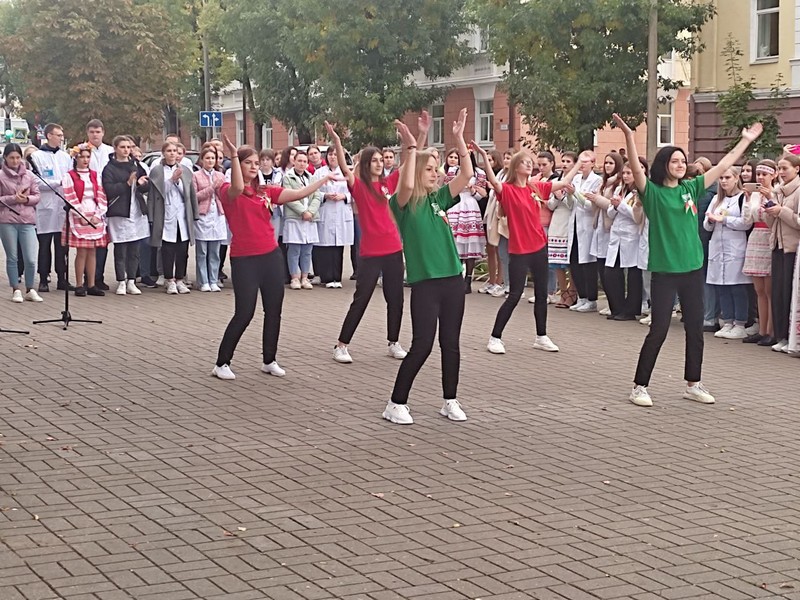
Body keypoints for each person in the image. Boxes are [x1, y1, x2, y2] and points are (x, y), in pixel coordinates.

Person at [613, 112, 763, 407]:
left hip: (692, 268)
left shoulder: (690, 188)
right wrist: (630, 137)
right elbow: (636, 168)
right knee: (659, 330)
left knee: (695, 329)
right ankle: (639, 386)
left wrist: (745, 141)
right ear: (664, 165)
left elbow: (722, 165)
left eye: (683, 161)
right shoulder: (652, 192)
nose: (681, 165)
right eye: (675, 161)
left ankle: (693, 383)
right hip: (665, 271)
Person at [212, 136, 340, 380]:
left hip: (270, 255)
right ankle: (222, 362)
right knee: (244, 312)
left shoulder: (265, 191)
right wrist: (233, 155)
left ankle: (269, 360)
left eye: (256, 162)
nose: (254, 166)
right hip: (244, 259)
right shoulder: (228, 190)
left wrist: (323, 180)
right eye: (248, 162)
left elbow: (299, 193)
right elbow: (237, 186)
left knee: (274, 311)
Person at [383, 108, 473, 425]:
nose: (436, 174)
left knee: (451, 344)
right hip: (426, 284)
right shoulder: (404, 204)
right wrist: (413, 145)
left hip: (453, 281)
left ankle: (450, 400)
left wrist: (459, 138)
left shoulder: (439, 199)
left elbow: (466, 176)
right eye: (430, 169)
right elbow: (406, 184)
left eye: (437, 169)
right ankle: (396, 403)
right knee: (422, 345)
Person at [476, 145, 584, 355]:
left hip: (539, 247)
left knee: (542, 294)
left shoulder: (535, 187)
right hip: (519, 250)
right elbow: (494, 182)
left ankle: (541, 337)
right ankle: (495, 337)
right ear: (516, 167)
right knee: (515, 295)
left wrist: (579, 162)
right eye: (524, 162)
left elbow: (563, 182)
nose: (529, 165)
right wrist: (483, 157)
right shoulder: (508, 190)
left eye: (530, 162)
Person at [326, 120, 409, 364]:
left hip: (393, 249)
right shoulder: (359, 186)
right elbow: (344, 168)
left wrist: (414, 140)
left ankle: (393, 342)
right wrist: (337, 141)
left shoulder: (387, 184)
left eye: (381, 160)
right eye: (374, 160)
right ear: (365, 164)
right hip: (371, 253)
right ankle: (341, 345)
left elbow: (408, 164)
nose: (379, 163)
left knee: (396, 299)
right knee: (361, 298)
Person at [703, 167, 751, 339]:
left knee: (737, 287)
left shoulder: (743, 198)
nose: (723, 181)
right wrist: (710, 220)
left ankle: (740, 323)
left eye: (727, 177)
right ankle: (728, 321)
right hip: (718, 246)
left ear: (736, 178)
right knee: (721, 286)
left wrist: (724, 219)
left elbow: (746, 223)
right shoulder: (717, 199)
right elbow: (706, 225)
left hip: (735, 247)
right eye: (721, 178)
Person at [148, 141, 198, 295]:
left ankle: (180, 279)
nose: (172, 153)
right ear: (163, 153)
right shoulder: (157, 171)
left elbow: (190, 193)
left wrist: (194, 213)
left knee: (182, 250)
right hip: (166, 213)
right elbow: (158, 193)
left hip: (182, 214)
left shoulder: (185, 170)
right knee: (167, 250)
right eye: (169, 151)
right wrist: (172, 180)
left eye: (174, 151)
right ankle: (169, 280)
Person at [103, 136, 150, 296]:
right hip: (120, 212)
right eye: (122, 147)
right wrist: (127, 184)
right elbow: (109, 190)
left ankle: (131, 280)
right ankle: (121, 281)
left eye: (128, 147)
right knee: (121, 249)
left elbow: (146, 186)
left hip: (136, 211)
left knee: (134, 249)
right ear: (115, 148)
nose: (126, 150)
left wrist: (142, 183)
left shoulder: (136, 165)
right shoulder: (109, 168)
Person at [763, 153, 800, 353]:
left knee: (789, 293)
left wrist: (781, 211)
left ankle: (790, 337)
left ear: (797, 169)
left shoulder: (798, 191)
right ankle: (781, 335)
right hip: (777, 245)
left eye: (785, 168)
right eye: (779, 168)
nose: (782, 172)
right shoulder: (777, 191)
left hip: (793, 248)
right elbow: (772, 223)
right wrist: (769, 211)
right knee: (777, 292)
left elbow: (797, 221)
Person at [31, 123, 73, 292]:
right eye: (58, 135)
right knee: (44, 245)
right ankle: (43, 278)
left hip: (62, 206)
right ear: (49, 135)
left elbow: (70, 178)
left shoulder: (66, 157)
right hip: (45, 207)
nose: (61, 138)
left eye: (62, 135)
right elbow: (36, 181)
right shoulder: (36, 157)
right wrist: (57, 183)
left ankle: (62, 278)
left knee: (62, 246)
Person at [62, 144, 108, 297]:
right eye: (82, 157)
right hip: (79, 214)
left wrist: (98, 214)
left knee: (92, 251)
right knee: (81, 251)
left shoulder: (94, 175)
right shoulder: (70, 176)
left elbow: (101, 195)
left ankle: (91, 284)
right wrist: (81, 215)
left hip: (94, 213)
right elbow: (70, 196)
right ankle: (79, 284)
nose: (85, 160)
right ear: (76, 158)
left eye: (88, 157)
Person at [0, 143, 42, 302]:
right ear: (5, 158)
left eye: (18, 157)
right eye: (11, 158)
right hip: (7, 221)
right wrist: (13, 199)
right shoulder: (1, 176)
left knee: (30, 258)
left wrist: (27, 199)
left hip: (27, 220)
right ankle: (16, 289)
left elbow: (37, 196)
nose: (15, 161)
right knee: (12, 257)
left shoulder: (29, 175)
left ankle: (30, 288)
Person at [742, 160, 777, 345]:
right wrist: (748, 200)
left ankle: (771, 331)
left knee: (770, 289)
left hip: (769, 237)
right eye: (759, 174)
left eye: (765, 174)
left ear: (773, 175)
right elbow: (747, 220)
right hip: (756, 236)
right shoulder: (755, 195)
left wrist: (770, 197)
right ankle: (762, 330)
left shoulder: (777, 192)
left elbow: (775, 216)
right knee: (759, 290)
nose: (761, 178)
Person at [604, 161, 645, 321]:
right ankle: (617, 308)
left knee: (633, 275)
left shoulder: (641, 192)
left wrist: (620, 205)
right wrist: (615, 206)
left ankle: (630, 311)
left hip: (632, 237)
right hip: (617, 236)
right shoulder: (620, 189)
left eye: (629, 173)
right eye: (624, 173)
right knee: (611, 273)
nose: (626, 176)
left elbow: (636, 216)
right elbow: (610, 213)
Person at [443, 149, 487, 293]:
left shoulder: (479, 172)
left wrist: (472, 189)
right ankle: (456, 277)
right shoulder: (453, 171)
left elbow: (481, 195)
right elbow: (447, 189)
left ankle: (468, 280)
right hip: (455, 205)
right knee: (455, 242)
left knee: (470, 244)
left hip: (470, 205)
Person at [312, 147, 353, 288]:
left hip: (341, 210)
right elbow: (313, 191)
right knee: (326, 247)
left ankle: (337, 278)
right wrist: (325, 195)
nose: (333, 157)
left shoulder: (346, 172)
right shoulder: (319, 173)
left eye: (336, 154)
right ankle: (327, 277)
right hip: (326, 210)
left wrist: (344, 196)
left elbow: (354, 191)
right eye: (330, 154)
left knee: (338, 247)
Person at [567, 151, 602, 312]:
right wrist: (569, 195)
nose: (581, 165)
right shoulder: (575, 179)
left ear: (593, 163)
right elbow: (570, 204)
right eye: (579, 162)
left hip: (588, 225)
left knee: (588, 264)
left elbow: (590, 205)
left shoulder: (597, 181)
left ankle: (591, 299)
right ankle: (581, 297)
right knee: (574, 261)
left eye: (585, 162)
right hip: (574, 224)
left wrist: (575, 193)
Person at [282, 151, 320, 289]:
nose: (302, 164)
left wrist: (310, 212)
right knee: (294, 250)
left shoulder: (311, 178)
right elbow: (288, 197)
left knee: (307, 250)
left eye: (304, 161)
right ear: (294, 161)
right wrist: (303, 211)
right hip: (295, 218)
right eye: (299, 161)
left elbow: (317, 196)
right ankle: (295, 278)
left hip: (309, 218)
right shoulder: (287, 177)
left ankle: (305, 277)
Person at [86, 119, 115, 291]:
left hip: (107, 197)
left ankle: (99, 276)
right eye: (92, 132)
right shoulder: (81, 151)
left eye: (98, 132)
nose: (95, 135)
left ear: (103, 133)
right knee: (89, 241)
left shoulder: (110, 151)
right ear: (87, 133)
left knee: (103, 241)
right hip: (89, 199)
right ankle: (88, 277)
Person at [193, 147, 226, 292]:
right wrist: (212, 188)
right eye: (207, 158)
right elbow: (195, 196)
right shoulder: (196, 176)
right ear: (202, 160)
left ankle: (213, 280)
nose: (210, 161)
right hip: (203, 216)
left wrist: (219, 189)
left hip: (217, 215)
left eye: (213, 158)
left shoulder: (220, 175)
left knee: (215, 252)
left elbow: (224, 195)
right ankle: (203, 281)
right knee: (202, 252)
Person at [549, 152, 578, 308]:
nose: (565, 164)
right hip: (556, 221)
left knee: (569, 261)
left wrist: (563, 197)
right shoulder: (556, 181)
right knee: (556, 261)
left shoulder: (576, 181)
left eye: (568, 161)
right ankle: (563, 292)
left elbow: (573, 204)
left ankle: (572, 292)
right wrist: (555, 197)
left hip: (570, 220)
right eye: (563, 161)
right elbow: (550, 205)